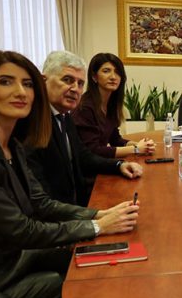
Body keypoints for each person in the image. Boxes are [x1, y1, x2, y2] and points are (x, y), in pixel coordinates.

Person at [0, 50, 139, 298]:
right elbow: (22, 230)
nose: (21, 92)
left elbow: (41, 203)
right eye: (5, 82)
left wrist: (99, 215)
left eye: (27, 84)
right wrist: (98, 227)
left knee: (96, 255)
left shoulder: (10, 146)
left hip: (9, 261)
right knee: (91, 280)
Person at [27, 51, 144, 206]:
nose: (75, 89)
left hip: (75, 203)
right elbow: (41, 200)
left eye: (80, 83)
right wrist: (94, 216)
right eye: (67, 80)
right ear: (43, 81)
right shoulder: (32, 123)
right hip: (61, 212)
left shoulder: (64, 116)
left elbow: (83, 156)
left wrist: (119, 165)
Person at [73, 52, 155, 159]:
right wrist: (136, 149)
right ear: (94, 77)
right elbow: (93, 150)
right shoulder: (85, 107)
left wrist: (142, 145)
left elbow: (115, 139)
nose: (113, 77)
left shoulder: (111, 104)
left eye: (117, 72)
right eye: (106, 71)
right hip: (87, 167)